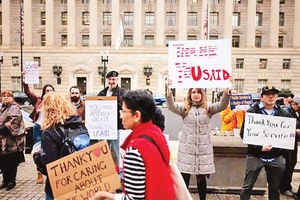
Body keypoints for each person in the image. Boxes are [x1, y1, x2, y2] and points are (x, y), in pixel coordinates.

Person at [91, 90, 175, 200]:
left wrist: (105, 195)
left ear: (136, 115)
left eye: (123, 111)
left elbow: (134, 198)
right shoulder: (156, 133)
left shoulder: (135, 150)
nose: (121, 116)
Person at [165, 79, 230, 200]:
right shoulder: (185, 109)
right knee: (185, 177)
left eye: (198, 92)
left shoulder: (209, 108)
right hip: (187, 149)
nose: (196, 94)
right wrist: (168, 90)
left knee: (201, 178)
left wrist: (227, 91)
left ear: (202, 94)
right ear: (190, 94)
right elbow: (171, 106)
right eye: (193, 92)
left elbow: (222, 105)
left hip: (202, 151)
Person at [240, 85, 291, 200]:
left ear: (277, 97)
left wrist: (278, 149)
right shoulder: (252, 112)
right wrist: (259, 148)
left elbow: (288, 135)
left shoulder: (283, 113)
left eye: (274, 94)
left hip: (276, 157)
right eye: (268, 94)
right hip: (256, 155)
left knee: (274, 189)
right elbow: (244, 133)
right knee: (247, 187)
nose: (271, 96)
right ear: (261, 97)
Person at [38, 92, 84, 200]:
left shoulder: (48, 133)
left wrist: (37, 157)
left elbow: (49, 166)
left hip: (57, 186)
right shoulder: (78, 127)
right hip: (79, 181)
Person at [23, 72, 55, 184]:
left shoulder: (56, 102)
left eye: (51, 90)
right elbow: (27, 92)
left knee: (50, 150)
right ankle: (39, 173)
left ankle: (51, 172)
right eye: (47, 90)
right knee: (37, 150)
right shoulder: (38, 100)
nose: (49, 92)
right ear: (44, 92)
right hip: (38, 127)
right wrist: (25, 79)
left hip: (50, 128)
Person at [97, 70, 126, 165]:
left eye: (113, 79)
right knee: (104, 150)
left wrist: (110, 102)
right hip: (104, 127)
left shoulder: (122, 92)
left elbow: (124, 106)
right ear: (107, 80)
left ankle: (120, 172)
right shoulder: (102, 93)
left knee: (117, 150)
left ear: (117, 80)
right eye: (110, 80)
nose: (111, 82)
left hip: (116, 127)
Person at [0, 90, 26, 191]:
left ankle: (11, 181)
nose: (6, 97)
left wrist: (3, 127)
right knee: (3, 161)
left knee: (11, 161)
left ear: (12, 97)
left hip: (12, 140)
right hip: (2, 140)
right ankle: (5, 180)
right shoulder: (2, 107)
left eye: (8, 96)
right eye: (3, 96)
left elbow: (14, 121)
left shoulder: (14, 107)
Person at [280, 95, 300, 197]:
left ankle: (287, 185)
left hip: (293, 141)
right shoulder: (287, 111)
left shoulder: (295, 112)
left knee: (292, 162)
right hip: (287, 142)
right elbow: (284, 126)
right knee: (288, 164)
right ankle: (284, 187)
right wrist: (296, 130)